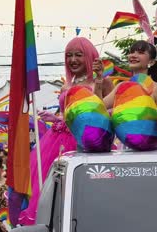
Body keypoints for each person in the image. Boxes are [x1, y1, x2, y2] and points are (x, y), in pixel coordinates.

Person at [18, 37, 115, 225]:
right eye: (69, 56)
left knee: (81, 186)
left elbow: (100, 110)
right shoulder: (65, 86)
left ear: (89, 57)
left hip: (85, 141)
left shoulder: (102, 82)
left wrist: (99, 81)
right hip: (56, 141)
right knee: (52, 187)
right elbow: (66, 113)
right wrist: (57, 118)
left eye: (78, 55)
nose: (73, 60)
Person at [99, 40, 157, 111]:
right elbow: (99, 107)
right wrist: (98, 79)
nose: (133, 55)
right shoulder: (121, 86)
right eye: (131, 52)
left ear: (151, 62)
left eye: (140, 53)